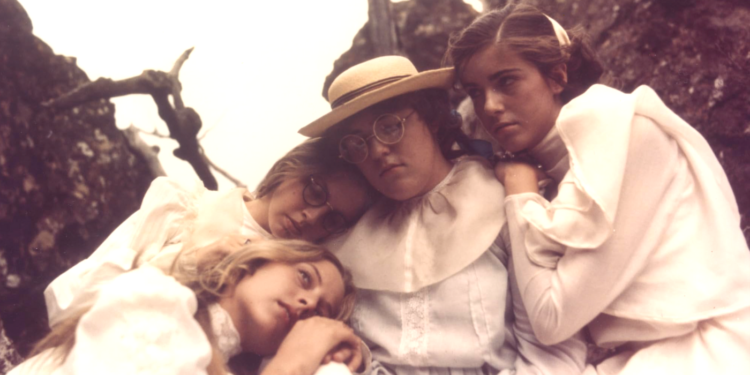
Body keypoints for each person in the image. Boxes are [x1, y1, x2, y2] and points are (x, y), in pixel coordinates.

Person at [448, 3, 750, 374]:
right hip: (634, 358)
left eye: (506, 81)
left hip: (708, 350)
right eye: (475, 92)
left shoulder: (620, 130)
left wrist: (519, 195)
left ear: (557, 76)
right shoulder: (539, 164)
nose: (489, 106)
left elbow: (550, 319)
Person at [298, 55, 586, 375]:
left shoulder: (505, 197)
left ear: (430, 117)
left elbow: (554, 350)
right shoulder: (344, 244)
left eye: (390, 126)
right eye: (356, 143)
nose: (377, 149)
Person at [44, 137, 376, 328]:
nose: (311, 217)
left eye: (332, 219)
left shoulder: (299, 282)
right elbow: (71, 299)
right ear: (294, 167)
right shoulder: (183, 204)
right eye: (315, 191)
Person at [10, 239, 362, 375]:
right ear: (256, 262)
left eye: (319, 314)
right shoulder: (157, 296)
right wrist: (293, 365)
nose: (308, 303)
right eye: (304, 277)